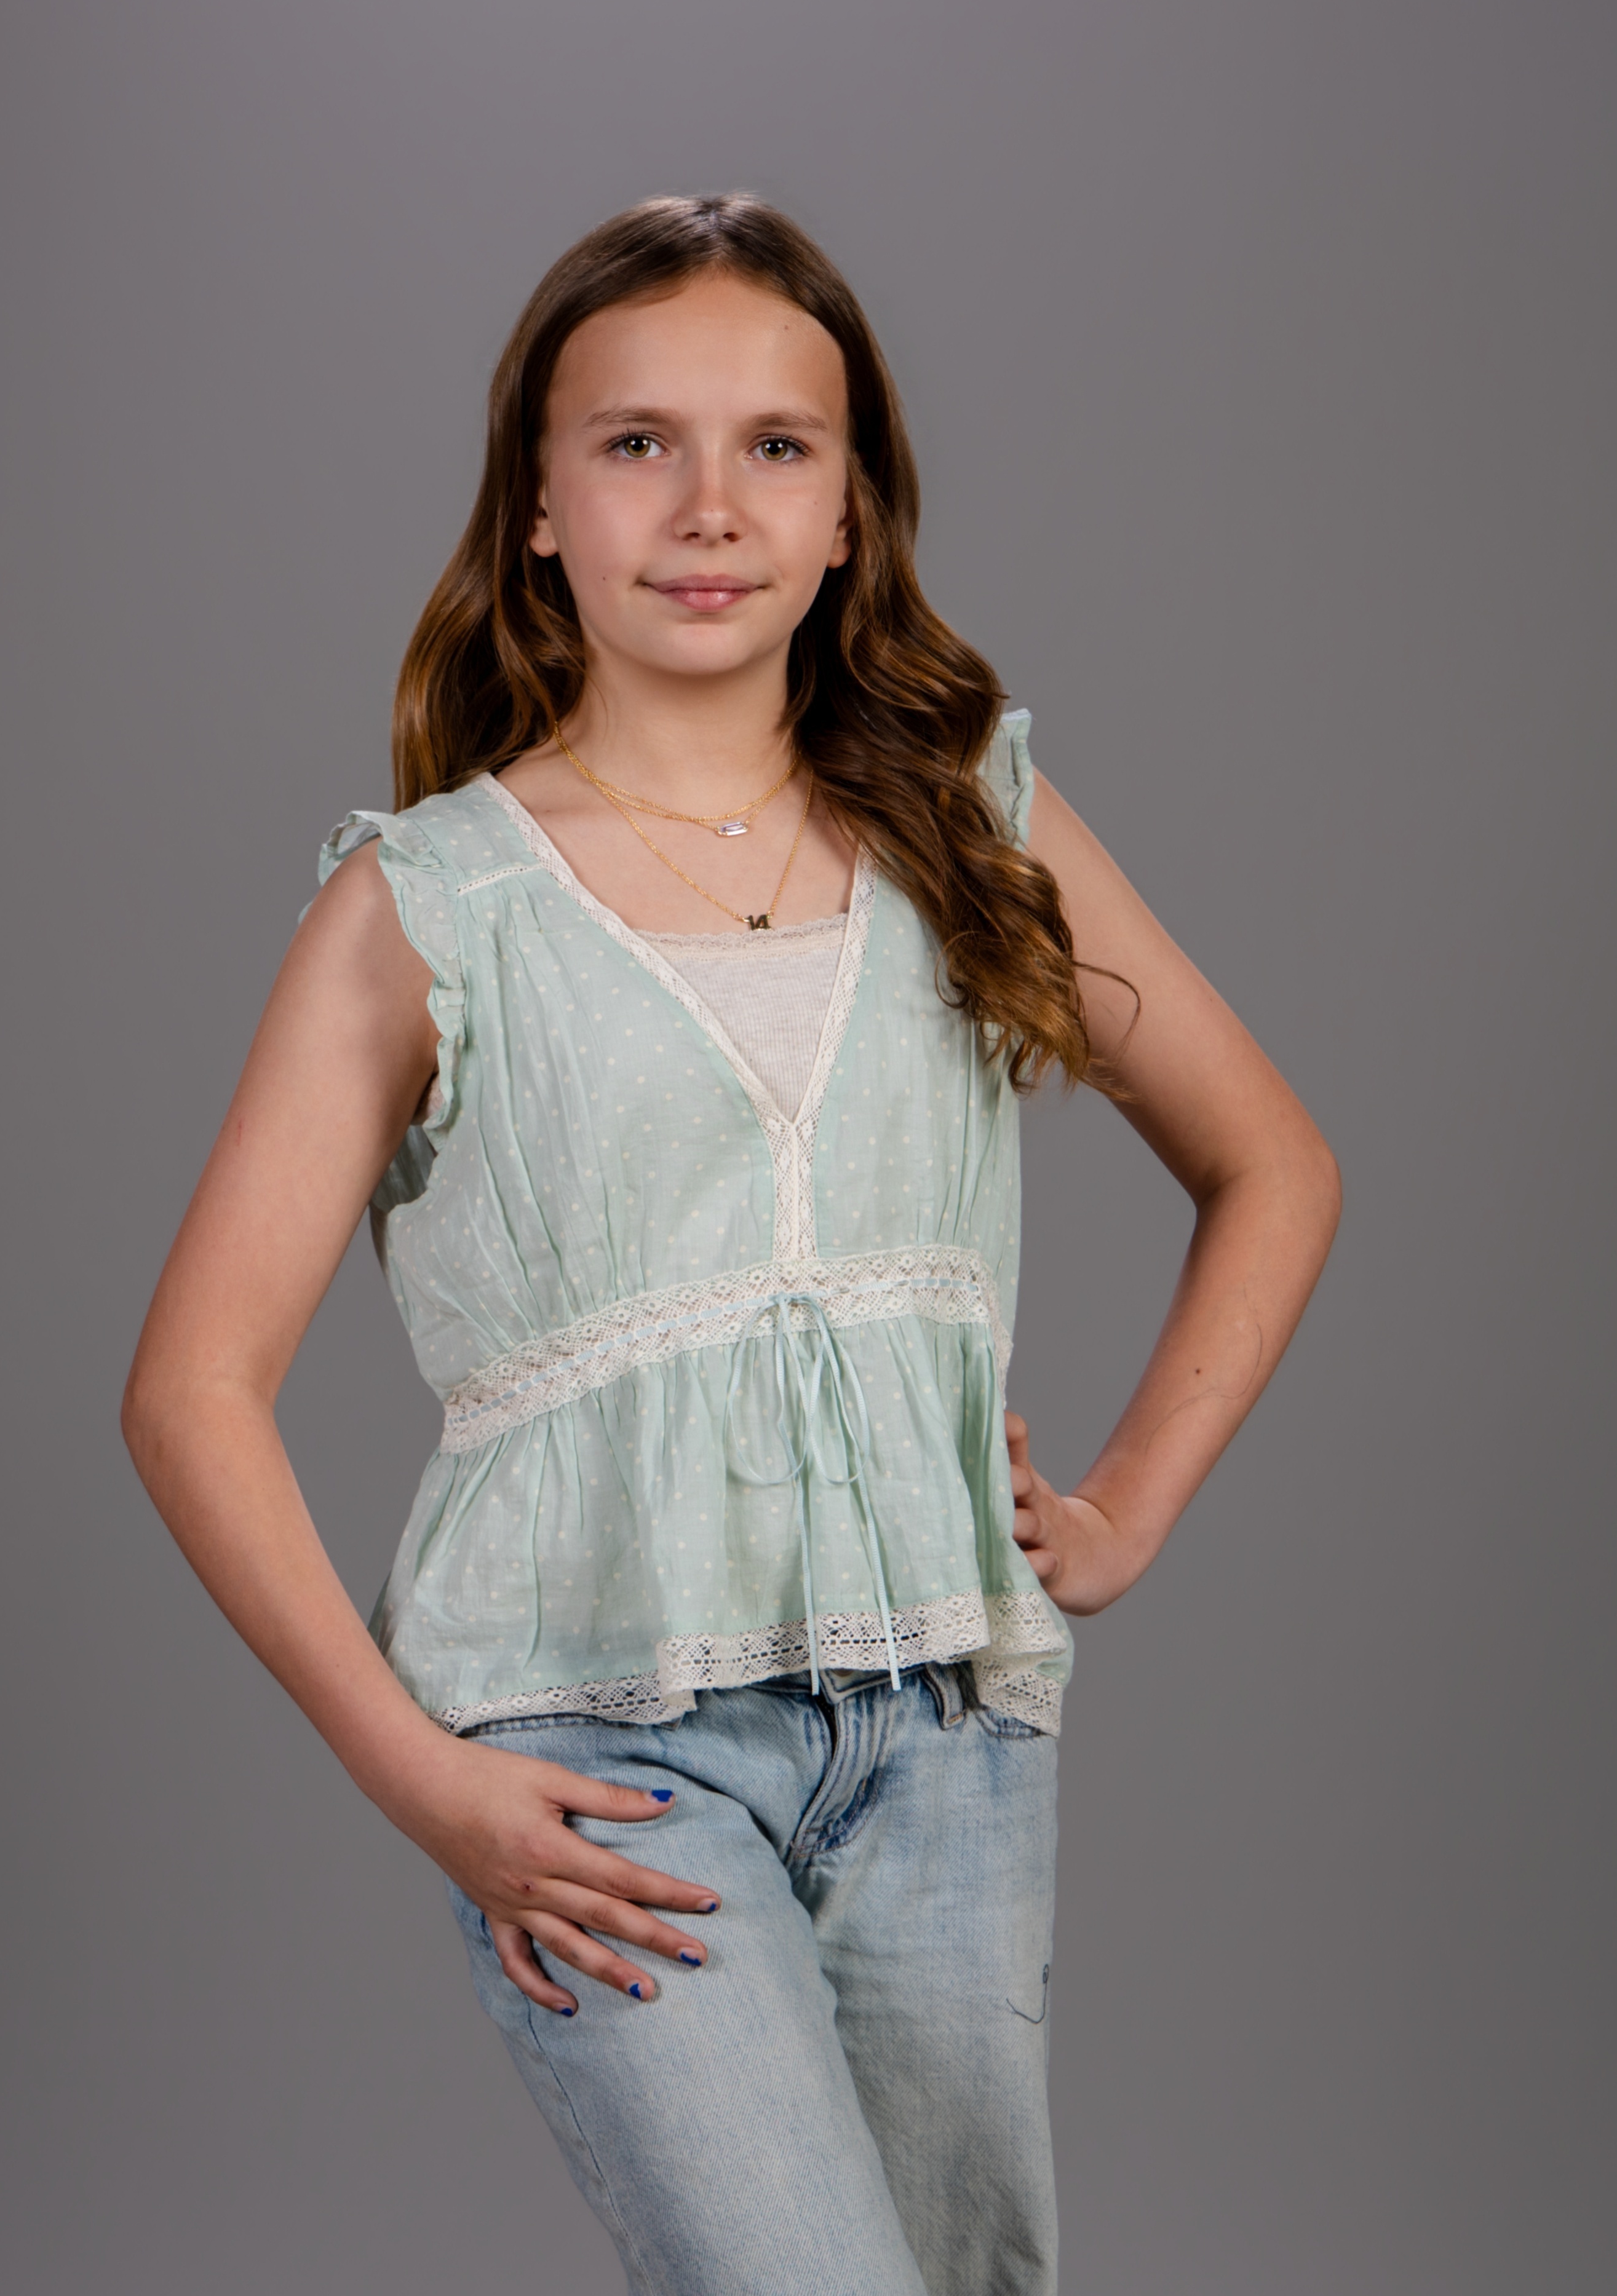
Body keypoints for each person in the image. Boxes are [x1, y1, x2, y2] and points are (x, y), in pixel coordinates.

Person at [122, 192, 1341, 2295]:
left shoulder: (973, 821)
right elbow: (190, 1391)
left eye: (778, 444)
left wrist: (1128, 1501)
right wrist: (425, 1783)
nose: (710, 506)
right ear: (536, 505)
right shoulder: (430, 906)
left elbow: (1276, 1163)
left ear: (851, 508)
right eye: (637, 443)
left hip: (948, 1741)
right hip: (601, 1765)